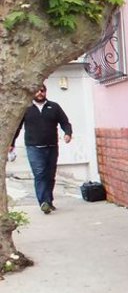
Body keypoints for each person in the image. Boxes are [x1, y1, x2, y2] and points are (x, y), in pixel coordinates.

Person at [9, 84, 72, 214]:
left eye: (42, 91)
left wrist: (68, 133)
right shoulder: (26, 108)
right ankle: (43, 202)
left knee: (50, 175)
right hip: (34, 147)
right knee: (40, 173)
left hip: (52, 146)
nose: (39, 93)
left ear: (45, 92)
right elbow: (17, 127)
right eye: (37, 91)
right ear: (32, 92)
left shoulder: (54, 107)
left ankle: (48, 201)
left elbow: (65, 122)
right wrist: (12, 142)